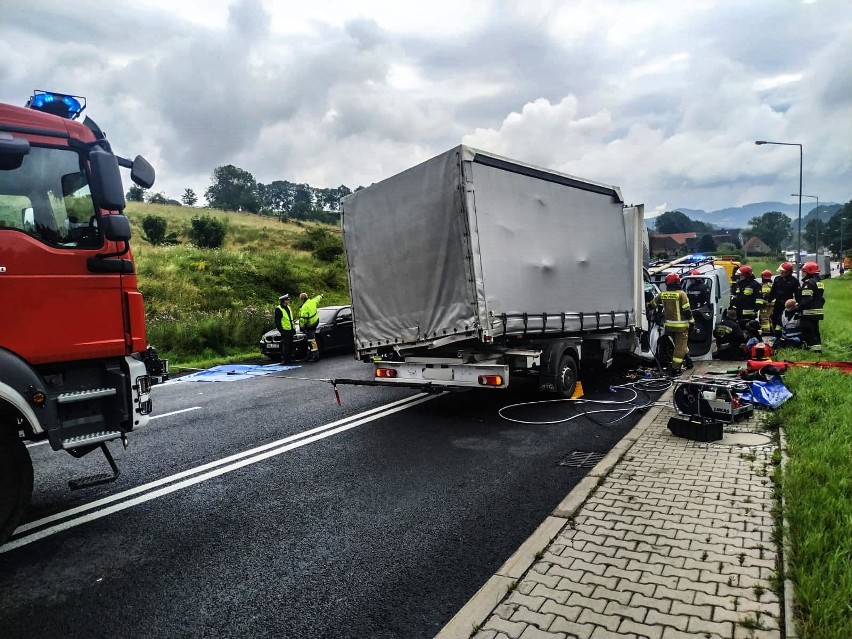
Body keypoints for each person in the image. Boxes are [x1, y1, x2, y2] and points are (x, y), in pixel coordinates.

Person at [648, 273, 693, 373]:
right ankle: (675, 368)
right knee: (680, 347)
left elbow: (651, 305)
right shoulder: (682, 294)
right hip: (681, 327)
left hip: (668, 326)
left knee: (679, 344)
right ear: (678, 282)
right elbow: (687, 311)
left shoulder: (662, 294)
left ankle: (688, 359)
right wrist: (692, 322)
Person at [797, 261, 825, 352]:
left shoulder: (808, 283)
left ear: (809, 271)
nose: (802, 273)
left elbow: (806, 299)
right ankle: (818, 347)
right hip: (817, 312)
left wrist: (798, 308)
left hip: (808, 312)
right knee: (815, 331)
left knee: (808, 332)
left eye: (803, 271)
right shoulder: (819, 282)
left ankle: (815, 351)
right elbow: (821, 298)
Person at [768, 262, 800, 336]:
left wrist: (798, 305)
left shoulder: (794, 281)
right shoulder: (777, 279)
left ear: (788, 272)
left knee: (786, 319)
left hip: (788, 304)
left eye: (782, 271)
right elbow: (773, 291)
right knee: (775, 318)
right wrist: (769, 300)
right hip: (778, 303)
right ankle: (777, 335)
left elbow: (797, 294)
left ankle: (787, 334)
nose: (780, 273)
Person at [729, 265, 763, 329]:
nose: (740, 276)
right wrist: (732, 307)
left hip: (750, 315)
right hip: (738, 313)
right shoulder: (738, 284)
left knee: (749, 330)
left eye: (741, 275)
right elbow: (734, 296)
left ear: (747, 275)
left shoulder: (755, 285)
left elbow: (760, 299)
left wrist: (756, 309)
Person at [299, 292, 324, 362]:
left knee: (311, 341)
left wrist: (302, 327)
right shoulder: (312, 301)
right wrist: (321, 295)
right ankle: (309, 356)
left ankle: (316, 356)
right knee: (310, 341)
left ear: (302, 299)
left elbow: (303, 319)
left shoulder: (304, 307)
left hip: (309, 326)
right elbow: (317, 298)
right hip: (315, 323)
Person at [274, 294, 296, 363]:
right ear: (283, 301)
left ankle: (290, 358)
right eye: (287, 300)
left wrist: (293, 329)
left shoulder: (288, 307)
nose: (288, 301)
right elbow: (277, 321)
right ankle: (285, 359)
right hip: (285, 330)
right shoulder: (279, 309)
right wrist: (281, 330)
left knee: (290, 345)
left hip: (290, 329)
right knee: (285, 345)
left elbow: (290, 319)